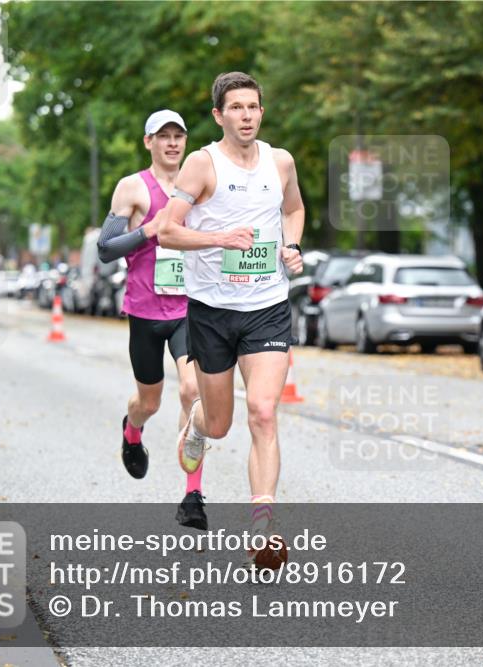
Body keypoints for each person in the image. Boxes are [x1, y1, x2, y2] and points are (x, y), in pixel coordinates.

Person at [156, 72, 304, 543]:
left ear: (262, 111)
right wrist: (220, 238)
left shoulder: (280, 163)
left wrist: (291, 245)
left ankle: (263, 532)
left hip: (267, 305)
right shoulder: (201, 165)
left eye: (253, 106)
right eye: (236, 108)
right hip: (212, 310)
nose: (246, 115)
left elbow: (294, 209)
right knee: (219, 425)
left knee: (262, 411)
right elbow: (167, 232)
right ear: (219, 115)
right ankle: (196, 428)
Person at [97, 109, 205, 528]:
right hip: (144, 311)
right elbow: (106, 249)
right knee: (150, 401)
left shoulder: (198, 185)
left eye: (179, 135)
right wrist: (149, 230)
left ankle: (193, 495)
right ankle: (132, 430)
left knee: (193, 389)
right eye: (164, 136)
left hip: (189, 310)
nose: (173, 143)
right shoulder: (132, 188)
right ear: (149, 142)